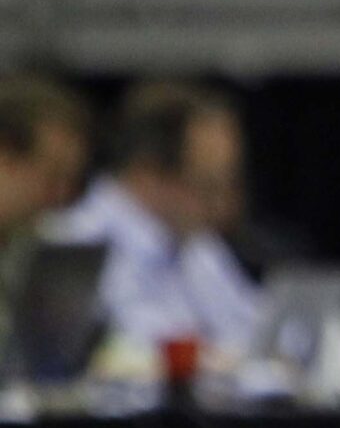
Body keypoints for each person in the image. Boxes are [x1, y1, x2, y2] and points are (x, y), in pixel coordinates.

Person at [49, 81, 260, 352]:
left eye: (227, 186)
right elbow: (138, 352)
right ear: (149, 174)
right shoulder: (76, 242)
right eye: (208, 188)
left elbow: (254, 329)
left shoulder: (196, 244)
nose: (221, 208)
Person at [0, 73, 90, 360]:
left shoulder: (39, 242)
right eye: (52, 176)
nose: (60, 196)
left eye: (68, 180)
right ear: (5, 159)